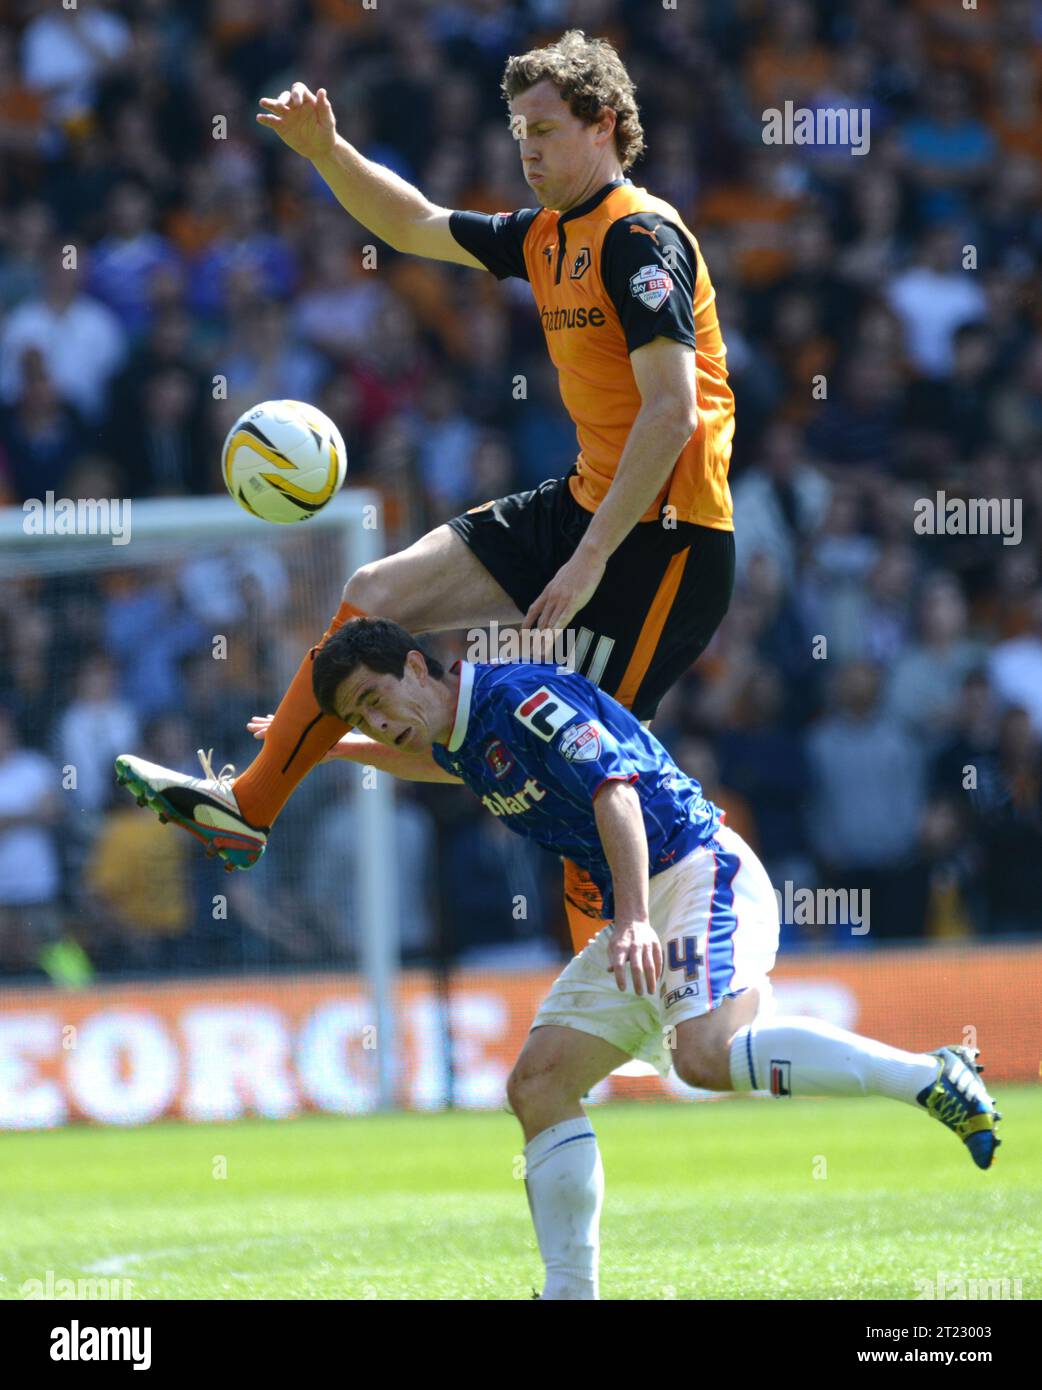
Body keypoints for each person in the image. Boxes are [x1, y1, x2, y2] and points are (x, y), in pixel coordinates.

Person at [134, 617, 999, 1301]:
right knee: (538, 1084)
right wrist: (332, 746)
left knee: (703, 1056)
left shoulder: (520, 697)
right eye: (360, 715)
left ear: (416, 665)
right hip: (645, 895)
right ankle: (570, 1293)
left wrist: (630, 920)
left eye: (374, 698)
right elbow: (443, 768)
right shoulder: (463, 732)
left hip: (698, 874)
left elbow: (612, 789)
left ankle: (931, 1076)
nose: (377, 720)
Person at [112, 29, 736, 954]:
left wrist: (590, 557)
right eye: (517, 129)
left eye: (545, 129)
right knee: (375, 597)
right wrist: (327, 151)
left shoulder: (639, 235)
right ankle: (249, 804)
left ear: (605, 125)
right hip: (587, 503)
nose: (525, 149)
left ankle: (645, 1000)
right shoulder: (545, 237)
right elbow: (411, 224)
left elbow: (671, 413)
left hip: (668, 541)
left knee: (584, 763)